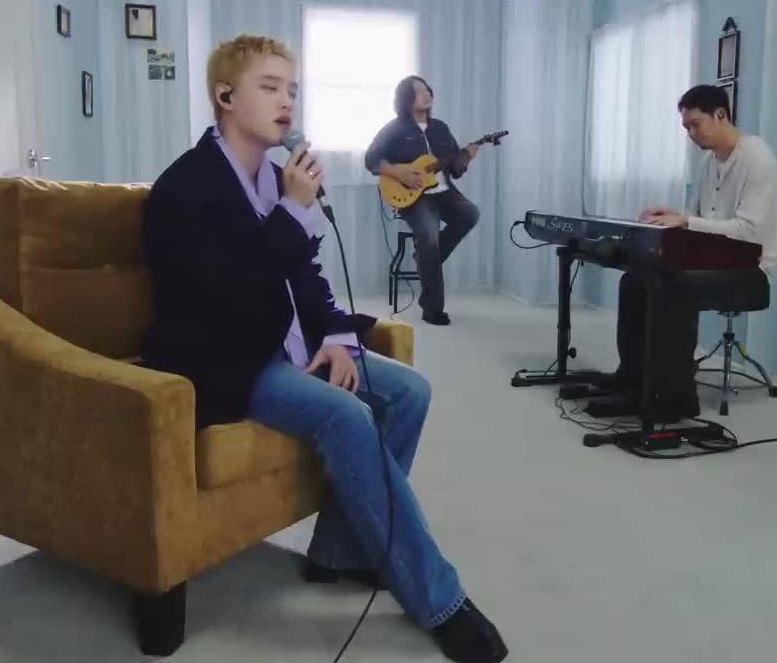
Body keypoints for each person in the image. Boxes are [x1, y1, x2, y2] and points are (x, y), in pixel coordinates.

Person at [140, 34, 507, 663]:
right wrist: (292, 211)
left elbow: (304, 275)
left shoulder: (275, 178)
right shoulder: (184, 189)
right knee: (346, 413)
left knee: (410, 391)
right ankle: (439, 599)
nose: (287, 101)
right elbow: (228, 297)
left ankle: (340, 553)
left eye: (292, 89)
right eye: (269, 87)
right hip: (227, 357)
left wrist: (335, 336)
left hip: (286, 342)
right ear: (225, 96)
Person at [610, 84, 777, 417]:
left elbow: (749, 232)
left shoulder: (758, 159)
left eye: (695, 124)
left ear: (721, 115)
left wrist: (686, 220)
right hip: (713, 260)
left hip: (751, 271)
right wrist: (673, 216)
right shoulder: (709, 162)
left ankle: (674, 397)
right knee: (635, 279)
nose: (690, 133)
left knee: (672, 285)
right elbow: (699, 220)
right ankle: (633, 378)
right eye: (686, 127)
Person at [365, 76, 481, 326]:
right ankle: (433, 309)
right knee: (429, 235)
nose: (426, 93)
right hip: (414, 197)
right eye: (419, 91)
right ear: (406, 99)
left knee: (470, 214)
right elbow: (371, 159)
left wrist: (466, 157)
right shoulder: (394, 129)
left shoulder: (441, 128)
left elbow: (455, 169)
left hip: (444, 192)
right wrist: (400, 173)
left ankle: (426, 258)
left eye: (427, 89)